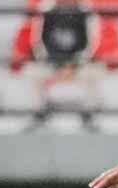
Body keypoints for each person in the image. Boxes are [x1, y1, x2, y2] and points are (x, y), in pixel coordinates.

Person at [24, 0, 102, 131]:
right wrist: (57, 65)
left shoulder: (86, 11)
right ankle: (39, 112)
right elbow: (38, 43)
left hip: (78, 63)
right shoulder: (46, 10)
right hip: (51, 62)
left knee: (96, 71)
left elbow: (92, 43)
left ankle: (88, 114)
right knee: (31, 71)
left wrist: (74, 65)